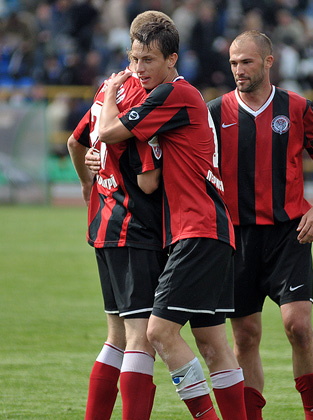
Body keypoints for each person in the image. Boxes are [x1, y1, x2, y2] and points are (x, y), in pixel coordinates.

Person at [96, 11, 246, 420]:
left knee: (157, 332)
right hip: (211, 229)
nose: (139, 69)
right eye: (134, 60)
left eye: (148, 60)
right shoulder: (179, 99)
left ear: (172, 60)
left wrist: (109, 92)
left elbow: (108, 133)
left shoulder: (170, 95)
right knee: (215, 344)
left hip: (196, 230)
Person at [207, 30, 313, 420]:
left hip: (288, 234)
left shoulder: (297, 108)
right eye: (233, 63)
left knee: (297, 325)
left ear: (268, 61)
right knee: (245, 336)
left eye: (246, 62)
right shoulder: (214, 112)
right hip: (236, 237)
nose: (238, 70)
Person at [67, 66, 166, 419]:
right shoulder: (146, 97)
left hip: (104, 224)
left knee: (117, 337)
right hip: (133, 227)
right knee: (141, 339)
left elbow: (74, 142)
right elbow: (149, 180)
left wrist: (86, 183)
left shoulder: (109, 87)